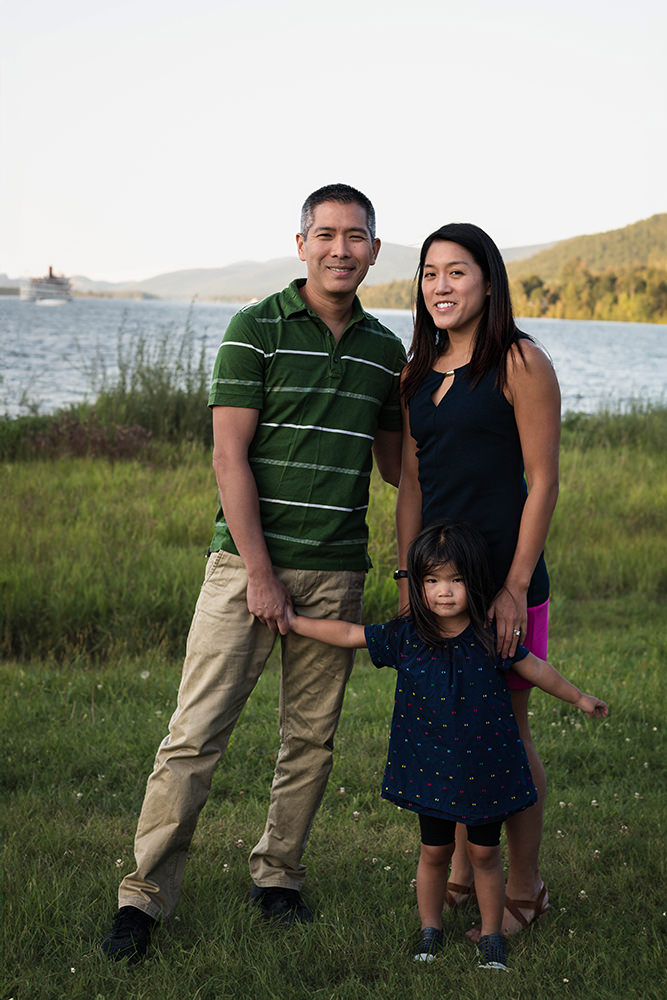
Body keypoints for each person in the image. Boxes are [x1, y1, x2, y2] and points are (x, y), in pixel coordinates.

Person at [101, 184, 407, 964]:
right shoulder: (255, 328)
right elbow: (227, 458)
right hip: (246, 568)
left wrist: (456, 405)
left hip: (336, 567)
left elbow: (397, 467)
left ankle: (278, 878)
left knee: (310, 739)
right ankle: (142, 897)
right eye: (327, 234)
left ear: (375, 248)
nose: (342, 248)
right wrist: (261, 573)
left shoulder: (384, 350)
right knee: (194, 736)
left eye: (357, 236)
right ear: (301, 243)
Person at [285, 520, 608, 970]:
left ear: (473, 582)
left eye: (455, 580)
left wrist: (578, 697)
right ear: (418, 585)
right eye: (432, 580)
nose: (444, 591)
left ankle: (492, 936)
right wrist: (295, 621)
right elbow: (348, 635)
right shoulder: (406, 636)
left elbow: (535, 668)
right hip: (428, 769)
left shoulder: (489, 636)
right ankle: (430, 928)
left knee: (484, 853)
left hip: (484, 768)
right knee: (434, 852)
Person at [395, 222, 561, 937]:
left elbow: (543, 479)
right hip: (438, 592)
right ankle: (462, 868)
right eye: (430, 274)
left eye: (456, 272)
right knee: (448, 727)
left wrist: (514, 585)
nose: (441, 286)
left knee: (505, 735)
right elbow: (408, 482)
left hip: (504, 583)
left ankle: (524, 889)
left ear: (487, 282)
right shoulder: (415, 372)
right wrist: (407, 579)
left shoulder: (519, 361)